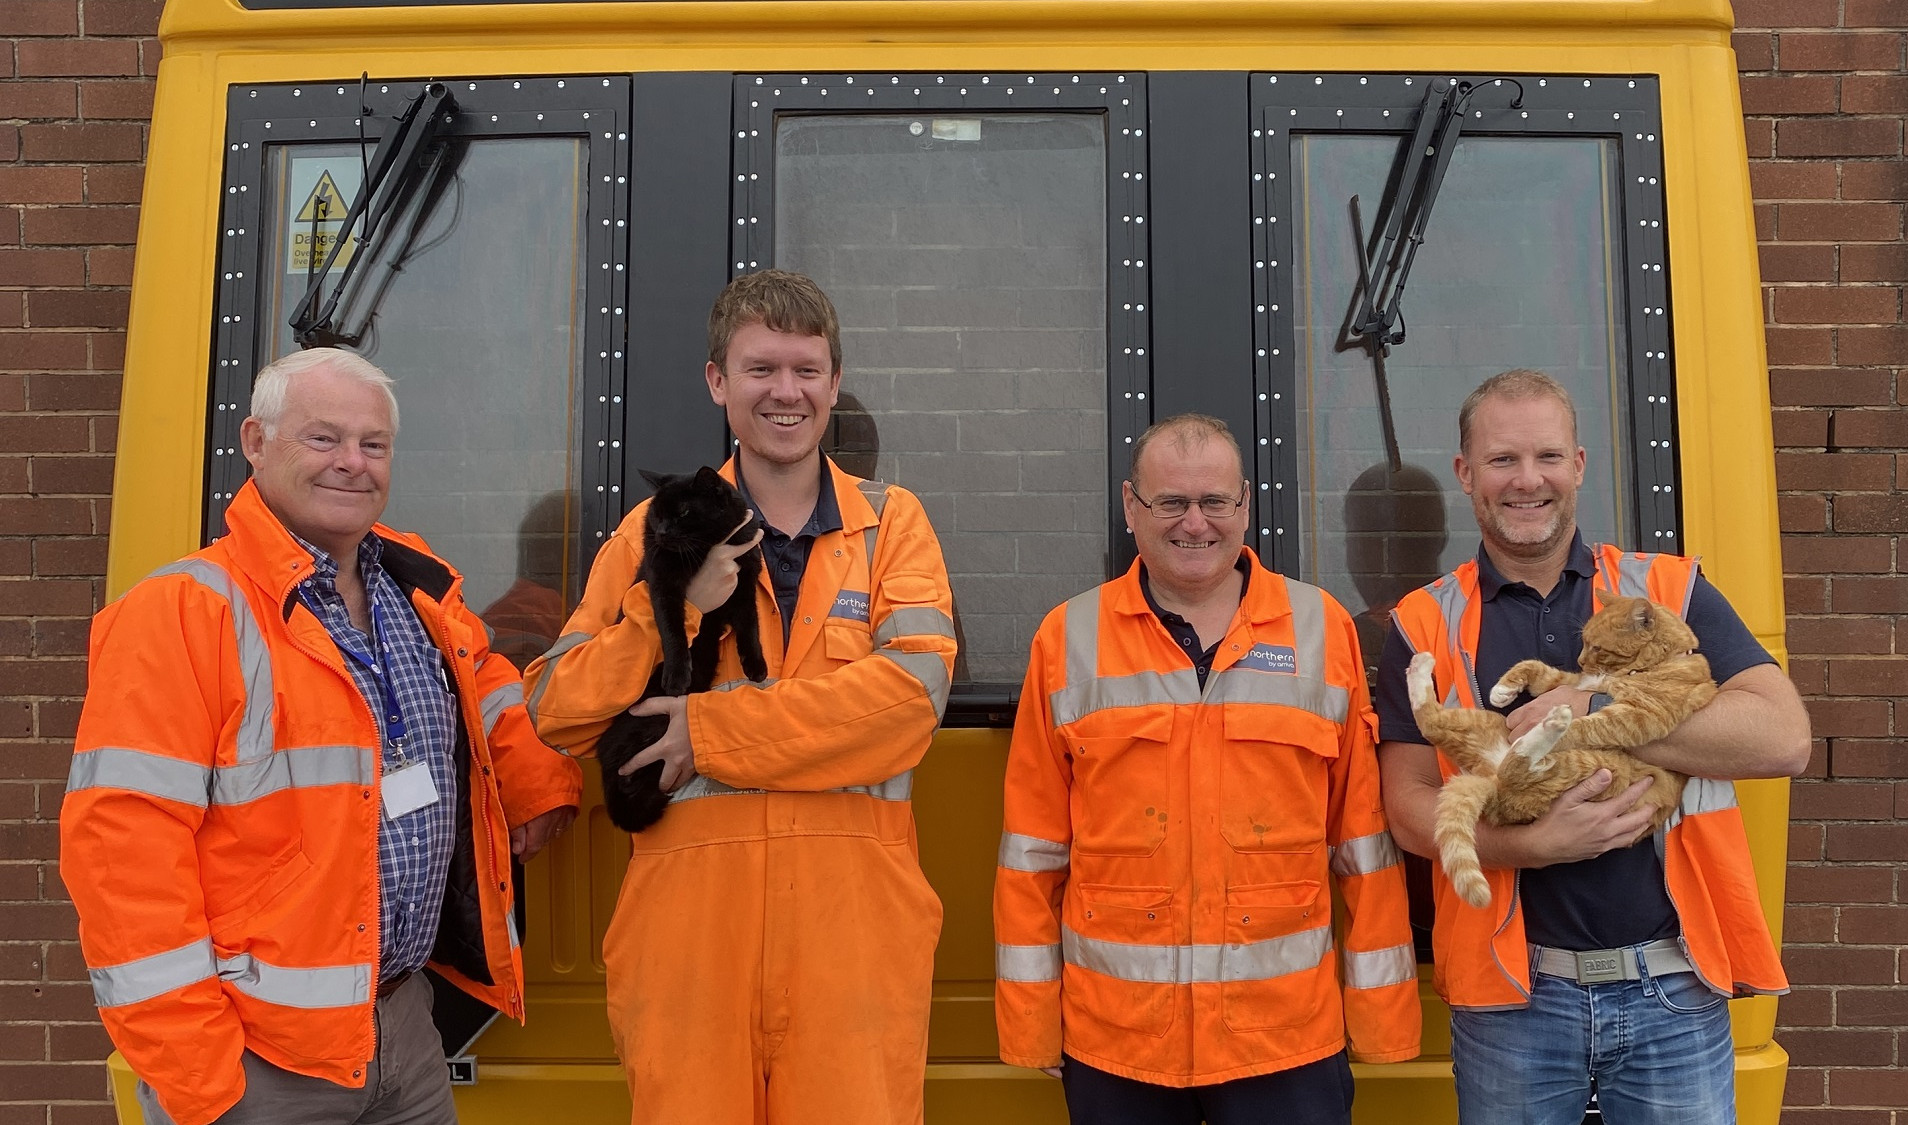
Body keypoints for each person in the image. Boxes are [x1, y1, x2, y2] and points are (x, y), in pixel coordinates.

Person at [60, 347, 583, 1125]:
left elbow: (486, 681)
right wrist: (201, 1078)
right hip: (263, 1061)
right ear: (255, 442)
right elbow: (121, 857)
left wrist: (536, 781)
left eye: (373, 445)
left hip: (405, 1030)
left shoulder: (416, 586)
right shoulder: (182, 614)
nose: (352, 463)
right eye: (323, 439)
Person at [522, 269, 956, 1125]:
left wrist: (707, 729)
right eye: (760, 369)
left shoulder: (891, 524)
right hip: (688, 941)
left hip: (854, 935)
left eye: (806, 369)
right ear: (718, 382)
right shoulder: (653, 530)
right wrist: (672, 607)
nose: (784, 391)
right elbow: (555, 706)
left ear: (834, 384)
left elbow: (911, 701)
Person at [1373, 369, 1812, 1124]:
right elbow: (1407, 805)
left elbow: (1784, 737)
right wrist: (1531, 844)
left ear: (1578, 464)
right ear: (1466, 472)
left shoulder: (1666, 591)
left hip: (1673, 987)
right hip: (1514, 999)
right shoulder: (1422, 621)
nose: (1527, 480)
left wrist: (1596, 705)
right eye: (1503, 459)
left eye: (1546, 457)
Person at [994, 413, 1421, 1125]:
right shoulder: (1067, 637)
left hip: (1284, 1042)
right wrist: (1032, 1019)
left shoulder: (1321, 628)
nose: (1196, 523)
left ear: (1244, 505)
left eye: (1215, 502)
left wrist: (1381, 1018)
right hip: (1117, 1041)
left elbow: (1364, 841)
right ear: (1132, 506)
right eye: (1171, 503)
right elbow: (1032, 851)